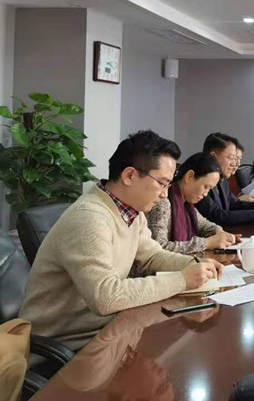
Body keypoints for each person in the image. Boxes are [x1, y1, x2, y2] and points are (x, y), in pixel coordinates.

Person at [18, 130, 223, 351]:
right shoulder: (89, 218)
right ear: (129, 176)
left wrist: (192, 264)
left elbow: (152, 255)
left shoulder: (132, 213)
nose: (165, 194)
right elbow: (105, 297)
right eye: (162, 183)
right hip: (65, 346)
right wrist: (182, 280)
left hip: (106, 332)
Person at [147, 152, 240, 255]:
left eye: (210, 189)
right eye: (206, 187)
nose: (206, 194)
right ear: (189, 176)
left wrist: (221, 234)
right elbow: (159, 248)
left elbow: (205, 225)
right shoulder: (163, 202)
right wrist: (207, 243)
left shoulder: (186, 205)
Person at [196, 133, 254, 225]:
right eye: (231, 158)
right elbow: (216, 216)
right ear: (213, 156)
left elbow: (235, 204)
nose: (235, 164)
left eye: (236, 158)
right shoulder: (199, 179)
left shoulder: (223, 179)